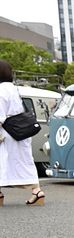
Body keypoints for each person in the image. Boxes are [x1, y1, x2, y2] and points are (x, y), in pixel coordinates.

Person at [0, 59, 44, 205]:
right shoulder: (13, 88)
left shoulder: (0, 90)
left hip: (7, 133)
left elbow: (0, 116)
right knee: (25, 161)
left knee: (3, 161)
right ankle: (37, 191)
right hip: (20, 132)